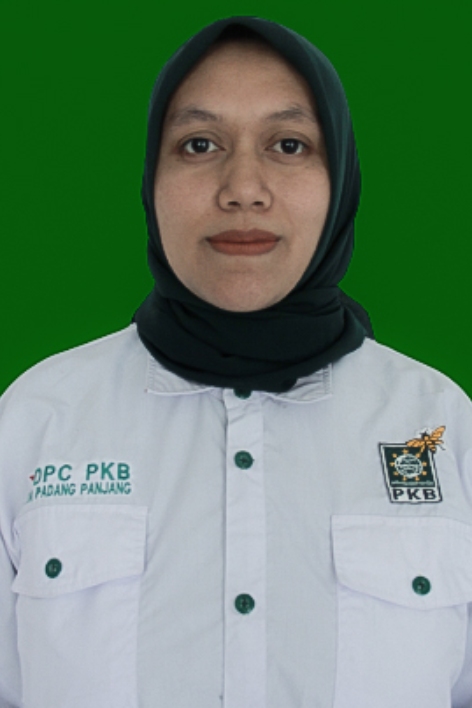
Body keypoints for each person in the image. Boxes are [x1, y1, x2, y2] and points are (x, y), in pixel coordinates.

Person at [0, 14, 471, 708]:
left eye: (289, 144)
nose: (243, 188)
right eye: (199, 144)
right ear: (151, 179)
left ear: (340, 178)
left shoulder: (441, 425)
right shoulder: (36, 420)